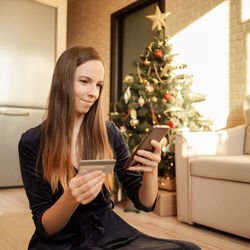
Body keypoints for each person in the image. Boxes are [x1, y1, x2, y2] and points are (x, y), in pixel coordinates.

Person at [18, 46, 201, 250]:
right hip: (62, 242)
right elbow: (47, 227)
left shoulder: (109, 133)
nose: (93, 93)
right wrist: (71, 197)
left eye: (99, 85)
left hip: (107, 232)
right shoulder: (33, 141)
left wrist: (151, 170)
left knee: (188, 249)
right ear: (63, 81)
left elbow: (145, 203)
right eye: (84, 81)